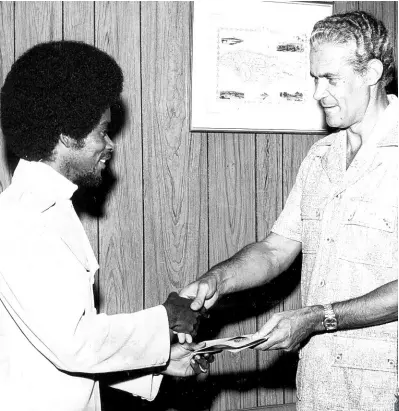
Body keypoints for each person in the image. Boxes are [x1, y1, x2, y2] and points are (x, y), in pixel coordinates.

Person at [180, 10, 397, 411]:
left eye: (330, 78)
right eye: (314, 78)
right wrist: (217, 280)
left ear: (371, 72)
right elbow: (276, 250)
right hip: (319, 385)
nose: (317, 92)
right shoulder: (320, 158)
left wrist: (318, 318)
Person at [0, 40, 211, 411]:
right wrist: (165, 320)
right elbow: (75, 344)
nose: (110, 145)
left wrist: (158, 363)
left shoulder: (49, 209)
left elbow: (53, 349)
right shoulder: (21, 221)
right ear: (67, 135)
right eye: (102, 131)